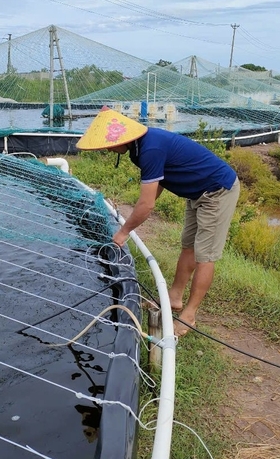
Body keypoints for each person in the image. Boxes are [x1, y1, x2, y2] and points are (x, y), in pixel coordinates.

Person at [77, 106, 240, 337]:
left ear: (122, 137)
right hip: (197, 193)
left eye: (109, 144)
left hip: (217, 191)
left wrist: (124, 232)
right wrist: (141, 208)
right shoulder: (139, 148)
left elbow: (146, 205)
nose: (108, 148)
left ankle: (189, 316)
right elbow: (159, 182)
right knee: (188, 246)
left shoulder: (149, 148)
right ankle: (174, 298)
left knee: (205, 255)